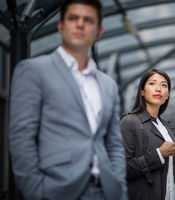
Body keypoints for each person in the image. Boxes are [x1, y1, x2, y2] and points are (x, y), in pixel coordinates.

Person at [9, 0, 127, 199]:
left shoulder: (108, 84)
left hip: (106, 191)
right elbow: (21, 137)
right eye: (73, 18)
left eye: (88, 20)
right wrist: (36, 191)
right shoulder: (34, 71)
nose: (80, 24)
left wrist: (119, 187)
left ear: (98, 32)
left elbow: (114, 143)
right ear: (60, 26)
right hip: (57, 190)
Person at [120, 68, 175, 200]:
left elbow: (173, 170)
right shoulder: (130, 122)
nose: (158, 88)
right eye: (152, 83)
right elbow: (122, 168)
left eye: (164, 85)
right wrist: (159, 154)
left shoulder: (167, 127)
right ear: (142, 91)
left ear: (167, 95)